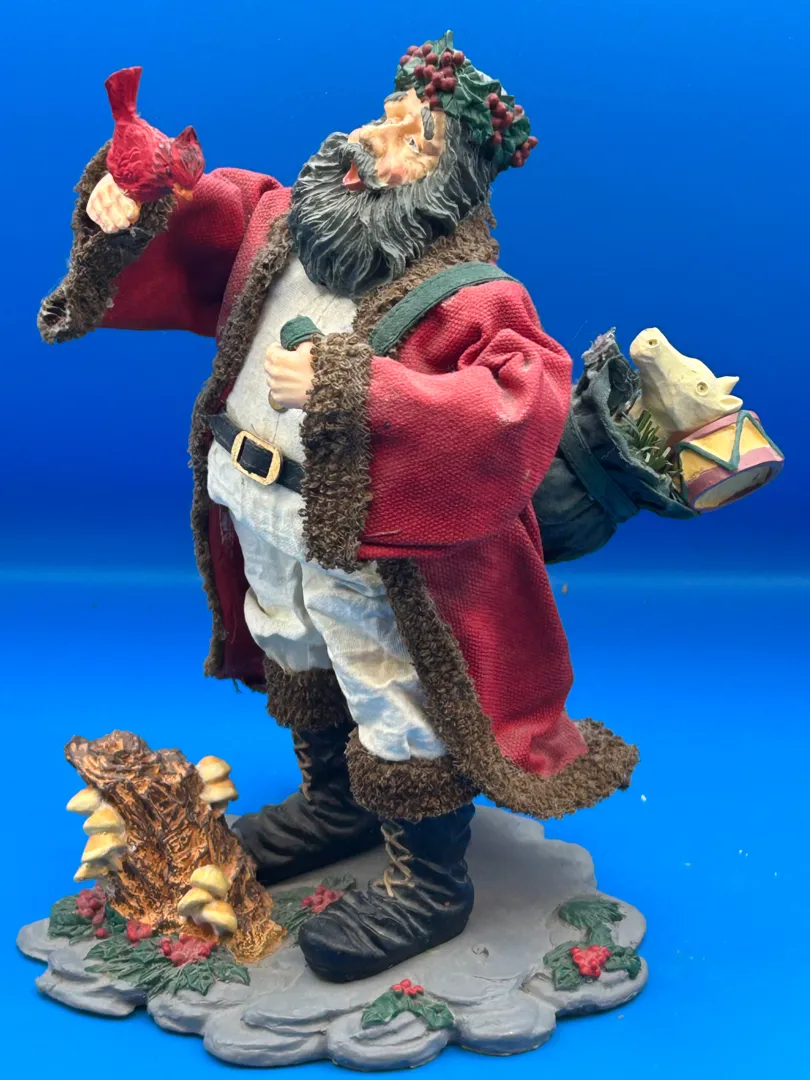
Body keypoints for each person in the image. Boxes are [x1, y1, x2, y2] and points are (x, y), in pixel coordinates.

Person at [39, 31, 637, 983]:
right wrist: (135, 203)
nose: (376, 137)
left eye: (414, 137)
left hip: (365, 544)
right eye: (387, 114)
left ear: (448, 177)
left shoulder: (473, 297)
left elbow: (517, 401)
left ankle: (430, 880)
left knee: (389, 689)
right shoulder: (285, 221)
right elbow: (197, 224)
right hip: (256, 505)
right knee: (288, 643)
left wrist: (354, 385)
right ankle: (335, 805)